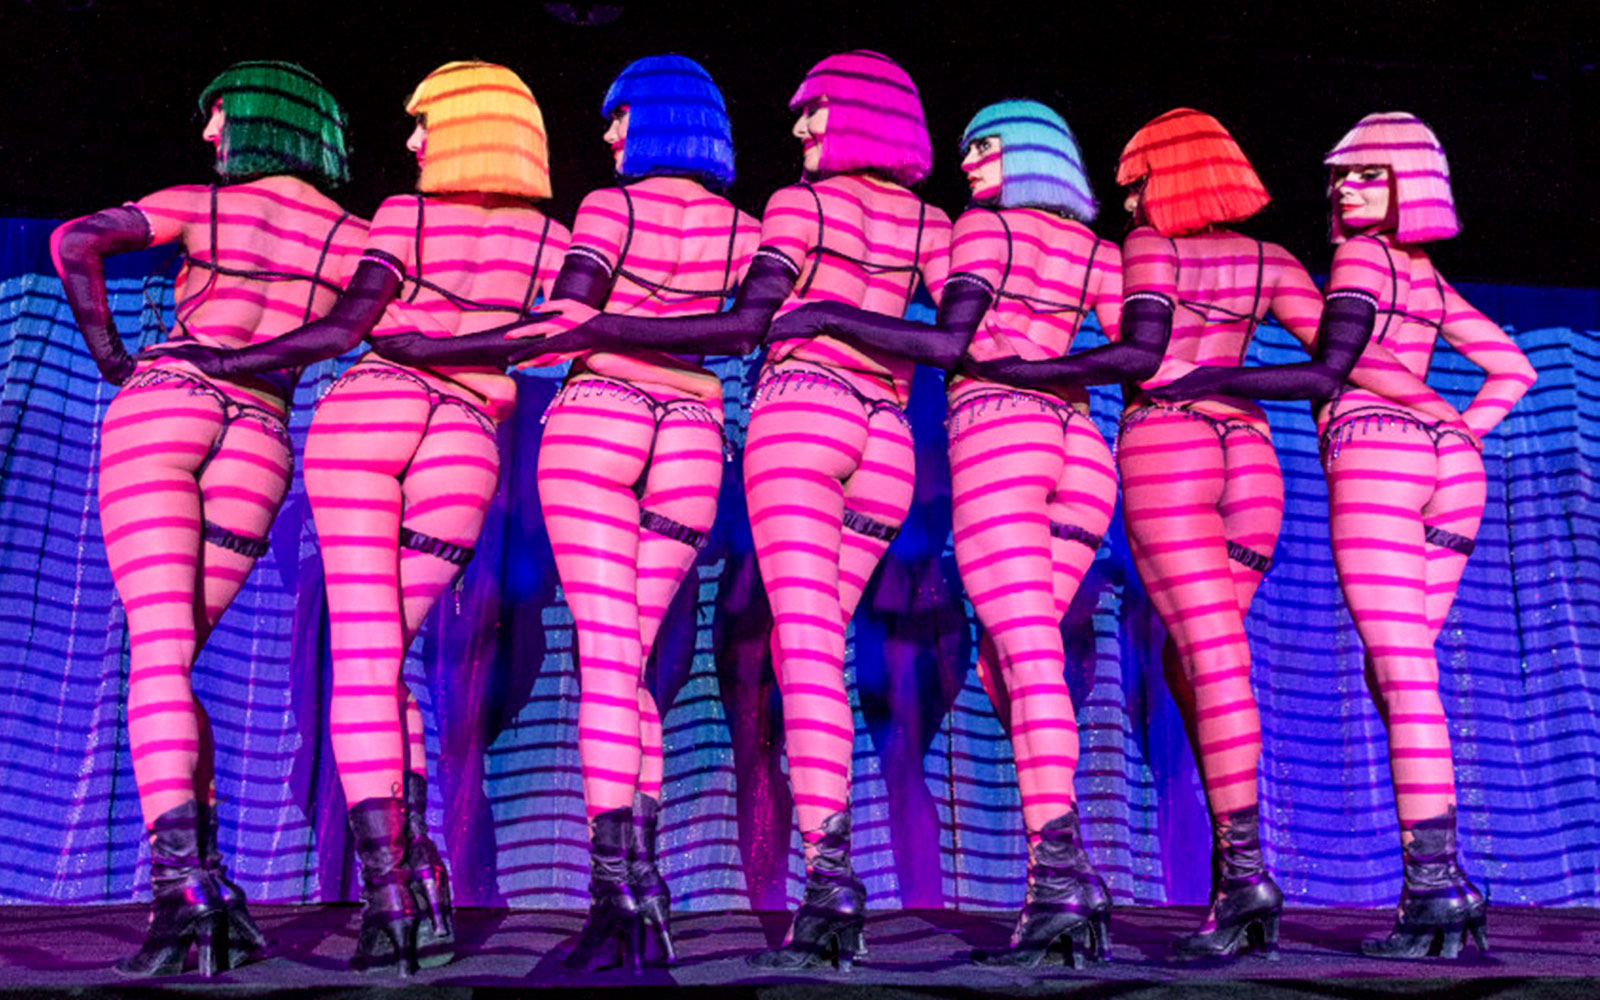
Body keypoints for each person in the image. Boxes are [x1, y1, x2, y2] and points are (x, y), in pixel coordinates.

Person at [525, 50, 952, 969]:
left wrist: (579, 334)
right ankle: (801, 891)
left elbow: (585, 326)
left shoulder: (771, 210)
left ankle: (633, 899)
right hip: (855, 438)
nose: (798, 128)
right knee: (795, 656)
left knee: (619, 656)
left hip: (738, 416)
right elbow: (955, 337)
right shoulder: (801, 223)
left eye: (813, 111)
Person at [169, 60, 568, 975]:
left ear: (467, 128)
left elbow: (353, 328)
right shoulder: (554, 238)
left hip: (371, 415)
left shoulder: (404, 217)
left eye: (427, 124)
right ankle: (417, 881)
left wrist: (229, 364)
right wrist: (480, 350)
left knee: (364, 658)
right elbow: (558, 334)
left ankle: (393, 900)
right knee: (386, 661)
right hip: (465, 437)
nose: (414, 142)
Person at [1155, 111, 1534, 959]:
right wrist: (1459, 430)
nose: (1345, 189)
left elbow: (1330, 369)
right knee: (1402, 673)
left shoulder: (1360, 260)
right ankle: (1442, 883)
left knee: (1402, 673)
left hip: (1377, 453)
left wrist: (1216, 376)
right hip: (1451, 470)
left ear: (1412, 182)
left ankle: (1435, 890)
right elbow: (1514, 368)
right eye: (1340, 175)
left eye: (1368, 173)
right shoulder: (1428, 278)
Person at [774, 99, 1134, 967]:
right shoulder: (1097, 250)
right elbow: (1142, 355)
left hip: (1003, 437)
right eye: (968, 145)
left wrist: (827, 316)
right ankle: (1068, 876)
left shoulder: (978, 231)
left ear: (1033, 155)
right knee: (1016, 659)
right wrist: (1056, 366)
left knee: (1023, 654)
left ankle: (1054, 879)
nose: (969, 159)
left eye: (988, 145)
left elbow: (948, 342)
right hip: (1084, 450)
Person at [50, 60, 363, 976]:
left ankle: (182, 897)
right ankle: (212, 885)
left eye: (219, 114)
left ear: (259, 121)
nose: (208, 132)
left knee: (157, 657)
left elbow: (74, 240)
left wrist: (113, 358)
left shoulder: (203, 204)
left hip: (169, 402)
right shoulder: (358, 235)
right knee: (174, 660)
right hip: (261, 431)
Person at [506, 54, 758, 971]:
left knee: (609, 662)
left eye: (619, 117)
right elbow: (743, 332)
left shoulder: (610, 209)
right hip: (692, 432)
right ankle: (643, 891)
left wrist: (477, 346)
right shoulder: (747, 230)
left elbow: (567, 319)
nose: (608, 134)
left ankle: (617, 898)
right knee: (631, 665)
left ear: (655, 120)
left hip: (601, 419)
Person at [1108, 108, 1333, 960]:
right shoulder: (1269, 260)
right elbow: (1336, 362)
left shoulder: (1150, 250)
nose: (1128, 199)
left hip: (1172, 447)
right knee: (1194, 658)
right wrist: (1234, 377)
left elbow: (1141, 354)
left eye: (1137, 180)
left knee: (1212, 658)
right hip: (1253, 464)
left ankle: (1243, 879)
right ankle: (1231, 874)